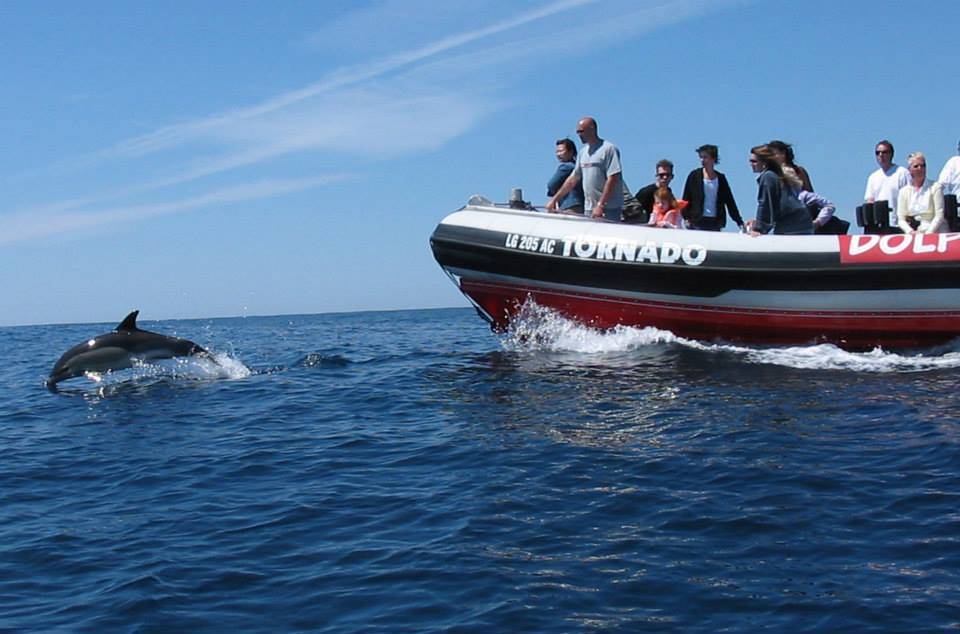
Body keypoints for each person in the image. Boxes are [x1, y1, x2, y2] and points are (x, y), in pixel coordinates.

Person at [546, 117, 624, 221]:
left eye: (581, 131)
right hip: (589, 208)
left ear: (592, 129)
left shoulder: (608, 149)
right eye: (577, 132)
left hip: (609, 208)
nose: (579, 135)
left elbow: (613, 178)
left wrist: (601, 205)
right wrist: (554, 200)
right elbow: (573, 179)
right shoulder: (582, 153)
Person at [745, 145, 812, 235]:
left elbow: (765, 204)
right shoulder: (776, 174)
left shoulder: (768, 176)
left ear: (764, 162)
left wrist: (758, 229)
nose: (750, 164)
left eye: (754, 161)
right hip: (802, 222)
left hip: (791, 224)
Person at [680, 144, 743, 231]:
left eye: (705, 157)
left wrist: (739, 222)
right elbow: (686, 198)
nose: (702, 160)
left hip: (715, 222)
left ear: (713, 159)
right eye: (701, 157)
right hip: (696, 221)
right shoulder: (694, 176)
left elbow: (730, 202)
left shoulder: (721, 179)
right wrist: (686, 217)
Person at [782, 167, 844, 234]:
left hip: (803, 233)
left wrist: (818, 222)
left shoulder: (804, 195)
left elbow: (829, 205)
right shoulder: (776, 197)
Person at [897, 152, 945, 234]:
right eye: (916, 166)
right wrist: (910, 232)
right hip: (913, 233)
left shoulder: (936, 187)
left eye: (923, 166)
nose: (920, 168)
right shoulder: (903, 192)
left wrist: (928, 233)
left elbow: (939, 216)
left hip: (935, 232)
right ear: (910, 170)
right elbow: (901, 219)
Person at [864, 139, 909, 227]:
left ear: (891, 154)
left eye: (884, 152)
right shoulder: (873, 177)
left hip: (898, 225)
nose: (881, 155)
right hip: (879, 226)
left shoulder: (902, 173)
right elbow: (870, 201)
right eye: (878, 152)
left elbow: (909, 198)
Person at [626, 159, 674, 224]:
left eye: (668, 175)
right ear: (656, 176)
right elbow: (633, 211)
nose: (665, 177)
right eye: (662, 175)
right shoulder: (646, 192)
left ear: (672, 177)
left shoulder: (670, 194)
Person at [546, 138, 584, 213]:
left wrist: (553, 195)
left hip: (569, 204)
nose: (558, 154)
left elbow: (551, 185)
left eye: (561, 151)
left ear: (571, 152)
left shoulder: (566, 167)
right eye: (557, 152)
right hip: (581, 203)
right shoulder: (578, 166)